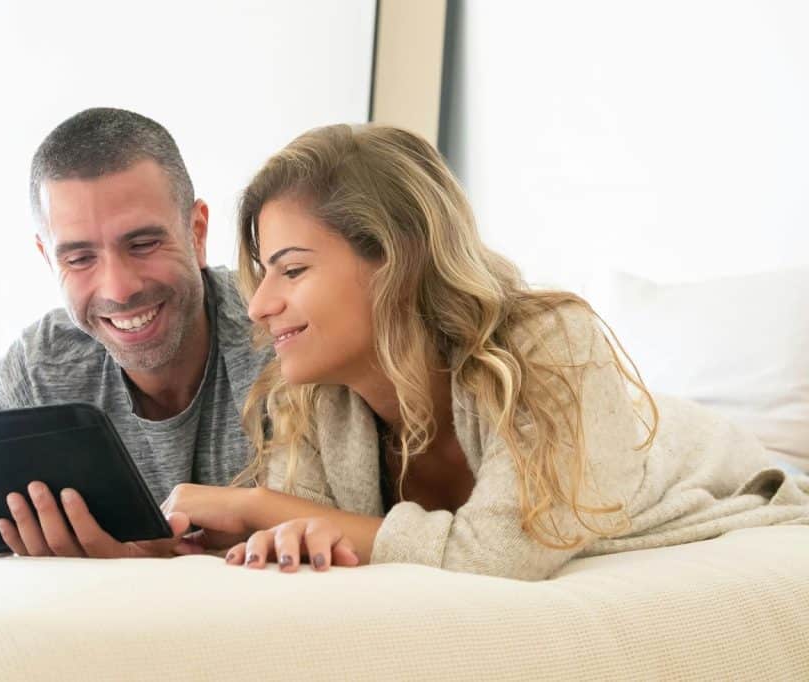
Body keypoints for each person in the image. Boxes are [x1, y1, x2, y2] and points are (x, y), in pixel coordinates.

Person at [163, 123, 809, 579]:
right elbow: (322, 532)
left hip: (715, 473)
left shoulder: (551, 342)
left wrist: (256, 506)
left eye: (293, 271)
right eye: (262, 274)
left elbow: (503, 553)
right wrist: (241, 535)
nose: (257, 305)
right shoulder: (321, 402)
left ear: (396, 263)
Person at [0, 107, 268, 558]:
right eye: (79, 259)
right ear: (47, 258)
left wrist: (141, 569)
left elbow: (331, 546)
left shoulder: (279, 336)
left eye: (143, 245)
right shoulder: (35, 372)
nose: (118, 289)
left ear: (197, 232)